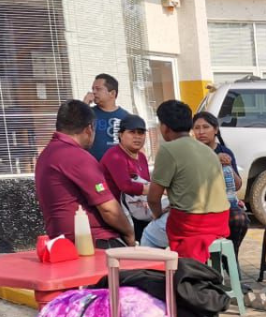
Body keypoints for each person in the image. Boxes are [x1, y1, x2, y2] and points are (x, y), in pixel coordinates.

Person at [34, 99, 134, 249]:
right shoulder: (77, 157)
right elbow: (109, 209)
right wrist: (129, 233)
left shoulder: (45, 156)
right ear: (89, 129)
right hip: (95, 243)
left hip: (62, 243)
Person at [147, 100, 230, 263]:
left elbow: (153, 198)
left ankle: (157, 282)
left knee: (148, 235)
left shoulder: (167, 149)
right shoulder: (207, 150)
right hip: (221, 220)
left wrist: (157, 215)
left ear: (164, 127)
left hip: (192, 223)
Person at [192, 111, 249, 253]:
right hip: (198, 205)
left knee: (240, 218)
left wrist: (227, 166)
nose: (201, 132)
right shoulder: (191, 152)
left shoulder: (225, 152)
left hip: (224, 203)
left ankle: (231, 255)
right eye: (197, 128)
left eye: (206, 127)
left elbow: (236, 186)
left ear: (215, 130)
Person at [99, 115, 153, 241]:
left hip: (139, 212)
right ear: (120, 135)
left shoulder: (142, 157)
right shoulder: (114, 155)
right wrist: (157, 190)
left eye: (140, 133)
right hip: (118, 217)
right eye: (132, 132)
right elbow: (126, 186)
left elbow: (145, 185)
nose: (137, 136)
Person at [82, 73, 131, 160]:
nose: (94, 92)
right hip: (93, 167)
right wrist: (84, 104)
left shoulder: (126, 117)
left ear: (112, 93)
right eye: (93, 89)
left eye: (98, 89)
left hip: (117, 167)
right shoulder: (88, 113)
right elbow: (74, 131)